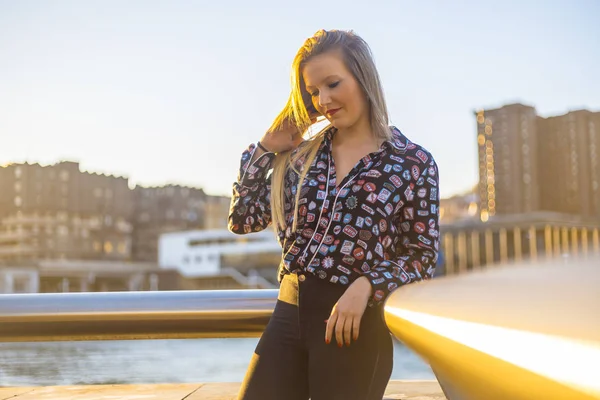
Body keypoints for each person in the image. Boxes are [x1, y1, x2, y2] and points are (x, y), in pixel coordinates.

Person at [228, 29, 440, 400]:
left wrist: (367, 284)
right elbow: (242, 219)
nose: (323, 100)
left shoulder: (413, 162)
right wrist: (265, 147)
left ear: (362, 78)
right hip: (286, 319)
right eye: (312, 92)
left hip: (354, 331)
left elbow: (421, 257)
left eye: (332, 84)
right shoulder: (299, 157)